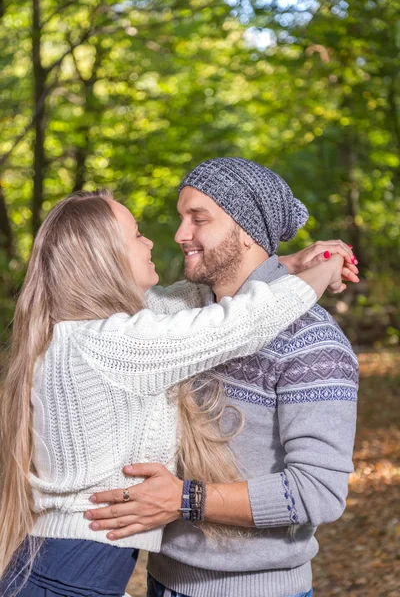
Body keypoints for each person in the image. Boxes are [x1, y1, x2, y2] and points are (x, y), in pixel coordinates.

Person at [0, 187, 348, 597]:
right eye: (136, 235)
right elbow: (244, 321)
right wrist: (328, 266)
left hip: (65, 565)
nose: (160, 238)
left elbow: (184, 301)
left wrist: (283, 267)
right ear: (102, 257)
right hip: (75, 575)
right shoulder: (112, 342)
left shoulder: (79, 332)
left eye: (198, 219)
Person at [87, 158, 359, 597]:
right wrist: (287, 266)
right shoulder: (186, 316)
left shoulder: (312, 342)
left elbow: (319, 492)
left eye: (199, 218)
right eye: (181, 218)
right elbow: (93, 309)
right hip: (163, 581)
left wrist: (184, 499)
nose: (179, 234)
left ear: (247, 230)